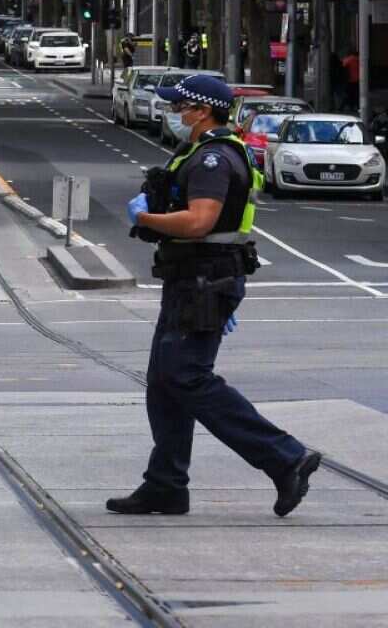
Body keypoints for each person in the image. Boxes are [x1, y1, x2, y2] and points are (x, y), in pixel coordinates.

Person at [116, 74, 320, 517]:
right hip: (193, 279)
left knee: (186, 377)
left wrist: (148, 219)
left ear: (202, 110)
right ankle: (166, 484)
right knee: (164, 382)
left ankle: (286, 458)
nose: (175, 113)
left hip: (204, 280)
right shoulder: (202, 151)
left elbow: (198, 222)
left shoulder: (213, 159)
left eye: (181, 106)